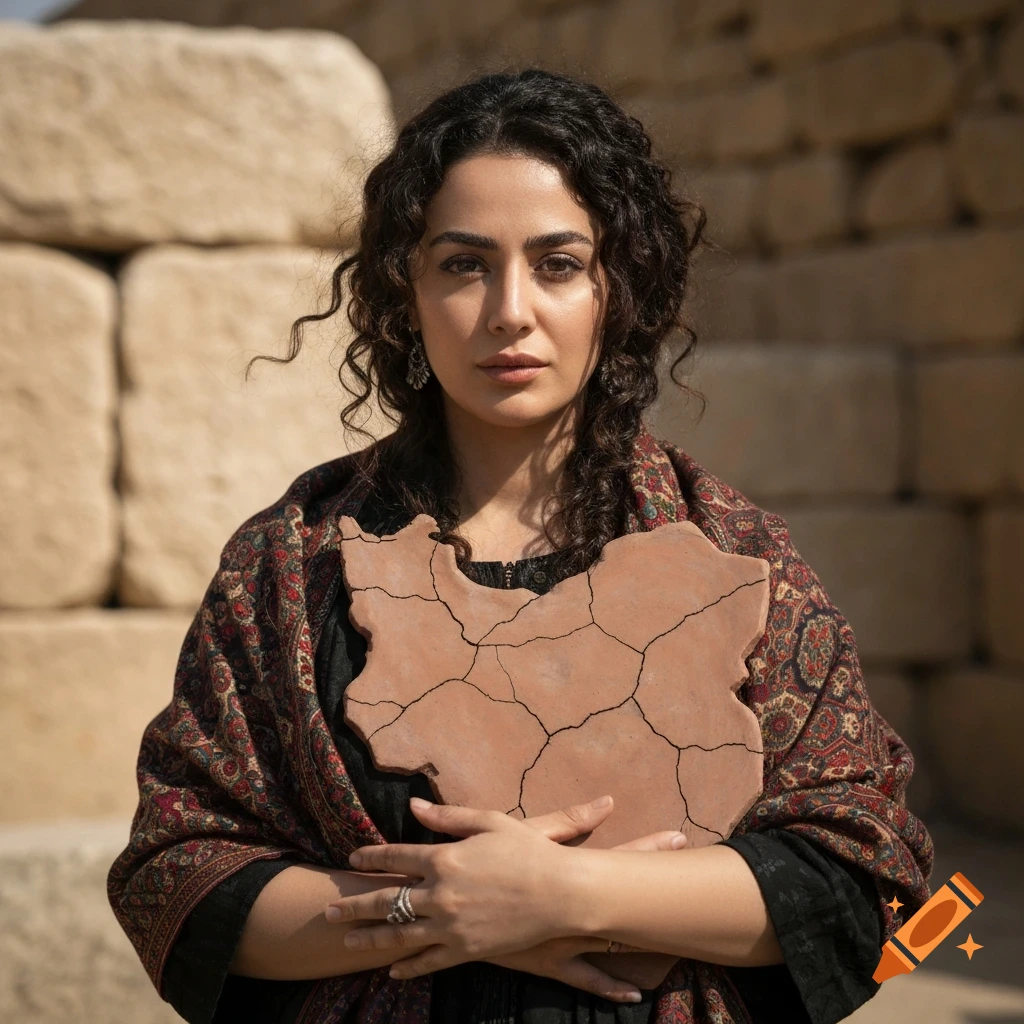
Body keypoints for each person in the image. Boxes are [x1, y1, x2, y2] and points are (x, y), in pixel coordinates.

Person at [107, 67, 934, 1024]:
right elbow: (174, 874)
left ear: (616, 292)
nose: (510, 309)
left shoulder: (734, 554)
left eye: (558, 264)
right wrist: (440, 914)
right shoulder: (291, 567)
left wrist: (567, 899)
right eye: (464, 265)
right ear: (406, 292)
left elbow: (882, 892)